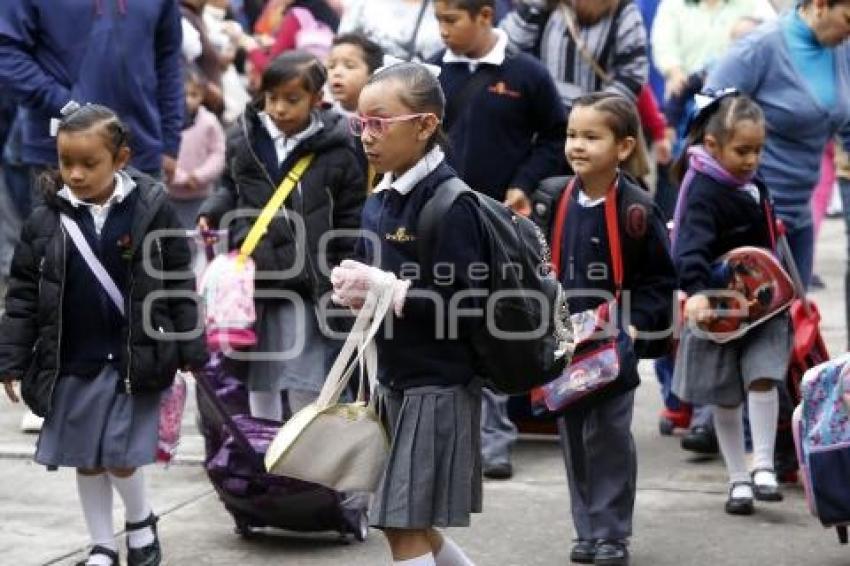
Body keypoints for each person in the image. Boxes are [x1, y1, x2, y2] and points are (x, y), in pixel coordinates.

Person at [0, 104, 207, 566]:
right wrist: (11, 359)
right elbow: (23, 297)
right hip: (71, 360)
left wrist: (190, 346)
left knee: (120, 455)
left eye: (88, 164)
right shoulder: (45, 221)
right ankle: (101, 545)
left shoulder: (151, 209)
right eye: (65, 162)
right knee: (86, 457)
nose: (74, 174)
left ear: (121, 158)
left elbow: (177, 281)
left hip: (132, 358)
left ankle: (139, 525)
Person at [331, 61, 483, 566]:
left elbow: (468, 304)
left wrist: (389, 289)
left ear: (424, 125)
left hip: (436, 385)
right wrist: (356, 287)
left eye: (380, 122)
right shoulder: (381, 196)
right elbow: (371, 272)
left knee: (399, 523)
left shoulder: (449, 202)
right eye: (361, 123)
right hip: (393, 380)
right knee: (407, 520)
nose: (367, 136)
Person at [432, 0, 566, 478]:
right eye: (439, 21)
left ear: (485, 16)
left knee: (492, 325)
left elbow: (557, 136)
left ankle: (494, 439)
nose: (443, 31)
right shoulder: (430, 73)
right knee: (444, 326)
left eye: (453, 20)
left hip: (498, 227)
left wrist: (524, 184)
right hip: (440, 222)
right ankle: (452, 437)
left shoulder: (526, 74)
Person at [541, 93, 675, 565]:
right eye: (572, 135)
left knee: (610, 437)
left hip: (613, 348)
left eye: (591, 137)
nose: (576, 145)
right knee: (573, 437)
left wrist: (638, 328)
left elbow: (660, 278)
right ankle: (588, 529)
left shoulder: (636, 209)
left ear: (623, 147)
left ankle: (613, 532)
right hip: (562, 343)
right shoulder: (552, 198)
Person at [198, 51, 366, 421]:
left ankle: (303, 459)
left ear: (316, 99)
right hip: (256, 280)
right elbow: (230, 186)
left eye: (292, 99)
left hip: (309, 283)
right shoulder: (245, 139)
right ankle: (267, 459)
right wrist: (212, 210)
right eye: (272, 97)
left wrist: (343, 268)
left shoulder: (339, 150)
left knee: (308, 377)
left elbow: (350, 216)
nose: (279, 108)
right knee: (260, 375)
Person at [671, 92, 790, 515]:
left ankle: (762, 464)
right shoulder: (703, 189)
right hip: (719, 313)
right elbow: (689, 248)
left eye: (758, 150)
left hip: (763, 309)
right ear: (713, 146)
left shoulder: (751, 184)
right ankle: (737, 477)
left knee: (763, 376)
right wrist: (698, 291)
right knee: (724, 395)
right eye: (742, 151)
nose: (752, 159)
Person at [704, 0, 850, 292]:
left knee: (795, 320)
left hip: (799, 213)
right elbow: (707, 111)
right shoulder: (760, 47)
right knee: (754, 323)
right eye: (847, 18)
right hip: (752, 214)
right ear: (820, 5)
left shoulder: (840, 49)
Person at [0, 0, 185, 181]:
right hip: (63, 156)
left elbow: (168, 62)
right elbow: (6, 51)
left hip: (141, 155)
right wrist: (68, 106)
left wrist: (170, 143)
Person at [500, 0, 649, 111]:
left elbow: (633, 75)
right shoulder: (548, 5)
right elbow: (506, 48)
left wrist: (596, 116)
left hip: (595, 134)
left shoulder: (623, 11)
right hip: (544, 130)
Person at [651, 0, 776, 98]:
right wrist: (675, 72)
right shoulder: (672, 4)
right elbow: (663, 44)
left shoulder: (755, 4)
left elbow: (773, 34)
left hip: (737, 94)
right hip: (687, 91)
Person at [168, 67, 226, 230]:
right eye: (183, 94)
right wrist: (181, 178)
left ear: (202, 96)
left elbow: (218, 153)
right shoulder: (166, 122)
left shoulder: (209, 122)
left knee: (200, 237)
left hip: (201, 196)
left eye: (193, 95)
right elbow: (161, 155)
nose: (187, 100)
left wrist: (199, 176)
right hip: (171, 195)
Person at [339, 0, 445, 61]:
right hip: (369, 90)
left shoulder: (448, 6)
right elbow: (340, 50)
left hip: (425, 91)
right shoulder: (363, 4)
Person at [327, 33, 385, 116]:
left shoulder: (381, 117)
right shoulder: (324, 116)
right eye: (331, 66)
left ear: (372, 75)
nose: (337, 73)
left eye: (349, 66)